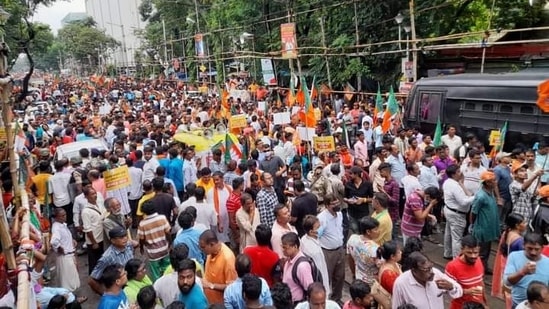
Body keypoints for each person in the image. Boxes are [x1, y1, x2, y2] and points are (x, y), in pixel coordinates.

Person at [392, 252, 463, 309]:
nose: (431, 272)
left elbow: (459, 292)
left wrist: (451, 287)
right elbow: (396, 307)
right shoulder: (401, 284)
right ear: (414, 270)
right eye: (426, 270)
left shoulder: (436, 274)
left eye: (431, 267)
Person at [347, 216, 390, 308]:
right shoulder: (375, 250)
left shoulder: (352, 239)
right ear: (368, 232)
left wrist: (353, 273)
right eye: (376, 229)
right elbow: (383, 269)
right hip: (372, 284)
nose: (378, 231)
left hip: (359, 278)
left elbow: (350, 258)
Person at [504, 232, 549, 307]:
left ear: (542, 248)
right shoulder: (514, 257)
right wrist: (522, 272)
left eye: (537, 249)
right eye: (530, 248)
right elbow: (507, 282)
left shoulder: (547, 262)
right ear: (523, 245)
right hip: (517, 304)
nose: (533, 252)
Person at [492, 213, 526, 307]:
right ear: (517, 225)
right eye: (523, 222)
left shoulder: (506, 233)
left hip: (506, 266)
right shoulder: (519, 240)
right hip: (515, 269)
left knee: (508, 293)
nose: (526, 224)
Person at [88, 226, 135, 295]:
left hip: (132, 283)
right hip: (120, 290)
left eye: (125, 236)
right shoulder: (107, 257)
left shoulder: (128, 246)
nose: (125, 239)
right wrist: (106, 294)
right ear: (113, 240)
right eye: (121, 237)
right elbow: (91, 280)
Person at [444, 235, 487, 309]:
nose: (473, 256)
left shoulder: (479, 260)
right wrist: (465, 291)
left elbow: (481, 283)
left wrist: (485, 303)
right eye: (469, 253)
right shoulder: (452, 266)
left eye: (476, 252)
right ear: (462, 250)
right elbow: (446, 290)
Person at [317, 194, 345, 303]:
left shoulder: (339, 214)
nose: (337, 205)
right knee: (326, 277)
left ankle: (337, 299)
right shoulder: (321, 218)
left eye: (337, 202)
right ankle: (325, 300)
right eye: (334, 204)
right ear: (327, 205)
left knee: (340, 276)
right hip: (327, 252)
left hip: (339, 249)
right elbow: (317, 235)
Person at [471, 171, 500, 274]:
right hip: (482, 227)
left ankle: (484, 267)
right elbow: (474, 212)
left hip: (489, 227)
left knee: (487, 249)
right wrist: (472, 225)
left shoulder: (490, 192)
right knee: (482, 251)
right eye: (493, 181)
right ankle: (479, 270)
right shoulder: (481, 196)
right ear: (487, 183)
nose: (495, 182)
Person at [443, 164, 474, 259]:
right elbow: (463, 202)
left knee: (448, 233)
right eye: (459, 172)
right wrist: (475, 197)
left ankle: (447, 253)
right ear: (453, 174)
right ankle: (456, 258)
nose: (461, 173)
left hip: (449, 210)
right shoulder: (454, 186)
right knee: (457, 238)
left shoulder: (447, 182)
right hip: (457, 214)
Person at [200, 229, 238, 304]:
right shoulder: (210, 253)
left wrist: (211, 286)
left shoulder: (228, 258)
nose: (201, 250)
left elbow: (231, 287)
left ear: (212, 244)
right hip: (209, 301)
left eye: (203, 247)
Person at [138, 200, 171, 281]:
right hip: (164, 248)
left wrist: (141, 247)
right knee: (167, 269)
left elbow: (141, 239)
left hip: (153, 252)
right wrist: (169, 243)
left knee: (155, 273)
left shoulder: (142, 224)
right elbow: (168, 232)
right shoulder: (162, 218)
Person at [300, 215, 331, 298]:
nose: (320, 228)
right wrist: (325, 290)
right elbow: (321, 272)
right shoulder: (314, 251)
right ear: (311, 232)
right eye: (318, 227)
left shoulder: (304, 238)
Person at [280, 232, 315, 305]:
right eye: (282, 247)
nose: (283, 250)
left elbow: (309, 288)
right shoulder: (289, 260)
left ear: (295, 247)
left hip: (297, 304)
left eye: (285, 247)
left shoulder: (302, 266)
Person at [50, 208, 80, 291]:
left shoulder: (62, 225)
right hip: (65, 256)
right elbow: (54, 241)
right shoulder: (56, 227)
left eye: (65, 215)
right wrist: (59, 247)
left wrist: (72, 240)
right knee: (68, 280)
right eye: (62, 216)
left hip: (69, 255)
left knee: (71, 278)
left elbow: (64, 237)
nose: (65, 217)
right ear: (56, 217)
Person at [81, 186, 106, 275]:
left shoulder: (99, 204)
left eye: (95, 193)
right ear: (86, 196)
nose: (95, 195)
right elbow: (88, 229)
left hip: (102, 237)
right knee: (94, 262)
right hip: (94, 240)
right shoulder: (86, 211)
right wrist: (94, 242)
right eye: (92, 194)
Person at [344, 166, 374, 234]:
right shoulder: (348, 184)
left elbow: (372, 199)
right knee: (355, 231)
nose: (349, 175)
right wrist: (348, 200)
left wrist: (363, 200)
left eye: (351, 174)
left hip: (363, 213)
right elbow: (345, 197)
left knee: (364, 232)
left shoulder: (367, 184)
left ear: (357, 174)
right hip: (352, 213)